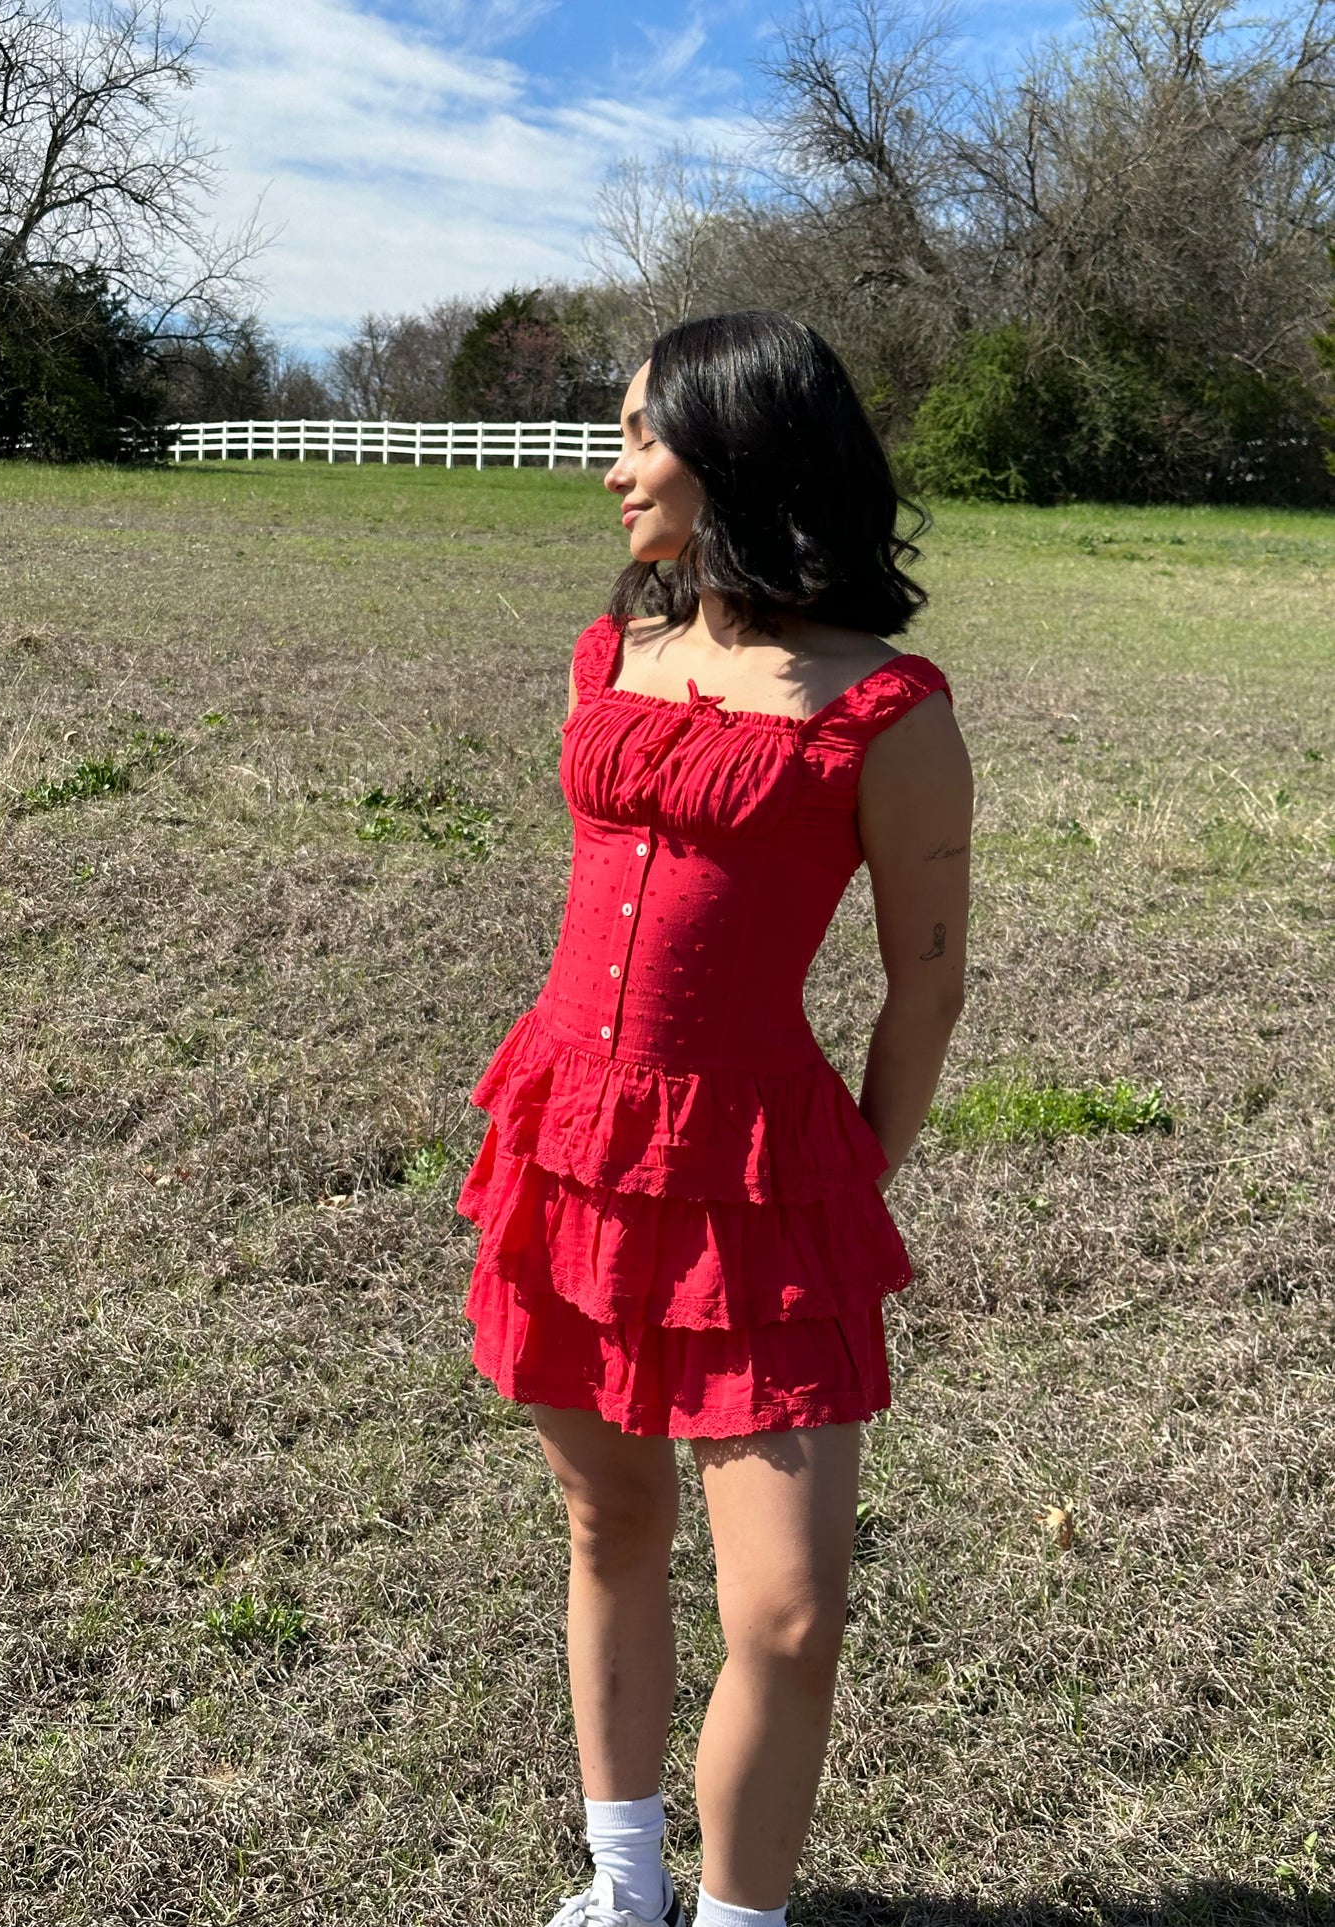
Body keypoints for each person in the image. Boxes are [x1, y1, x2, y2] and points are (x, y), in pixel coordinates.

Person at [455, 310, 974, 1927]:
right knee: (606, 1522)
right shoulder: (610, 655)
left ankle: (737, 1921)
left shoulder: (886, 709)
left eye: (637, 434)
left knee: (791, 1610)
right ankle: (624, 1890)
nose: (613, 472)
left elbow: (925, 983)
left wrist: (842, 1179)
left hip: (758, 1178)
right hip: (574, 1143)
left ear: (735, 449)